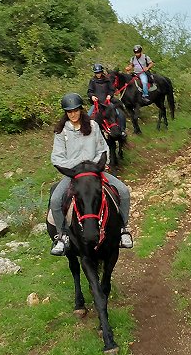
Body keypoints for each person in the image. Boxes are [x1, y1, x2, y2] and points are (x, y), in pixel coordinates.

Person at [48, 92, 133, 255]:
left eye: (75, 110)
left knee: (123, 191)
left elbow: (103, 149)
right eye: (69, 111)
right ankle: (62, 236)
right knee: (56, 199)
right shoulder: (60, 132)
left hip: (95, 172)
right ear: (66, 113)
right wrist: (76, 168)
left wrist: (95, 166)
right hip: (73, 174)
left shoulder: (93, 127)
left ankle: (123, 230)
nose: (72, 114)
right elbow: (57, 157)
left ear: (81, 110)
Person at [87, 63, 127, 137]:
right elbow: (90, 91)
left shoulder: (107, 80)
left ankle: (122, 130)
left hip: (107, 103)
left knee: (119, 114)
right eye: (96, 73)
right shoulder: (92, 81)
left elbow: (111, 90)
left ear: (102, 72)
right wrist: (92, 96)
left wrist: (109, 95)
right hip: (97, 103)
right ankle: (88, 134)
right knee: (88, 116)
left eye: (99, 72)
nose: (98, 74)